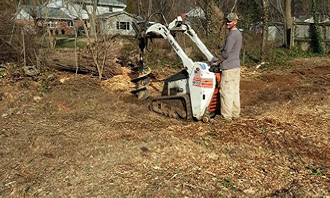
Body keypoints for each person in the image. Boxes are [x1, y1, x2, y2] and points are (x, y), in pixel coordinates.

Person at [219, 13, 242, 122]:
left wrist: (218, 61)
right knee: (234, 92)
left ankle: (226, 116)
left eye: (230, 21)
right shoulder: (238, 34)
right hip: (236, 67)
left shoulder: (231, 36)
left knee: (226, 92)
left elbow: (226, 53)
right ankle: (235, 114)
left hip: (228, 68)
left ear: (235, 21)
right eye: (227, 21)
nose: (228, 23)